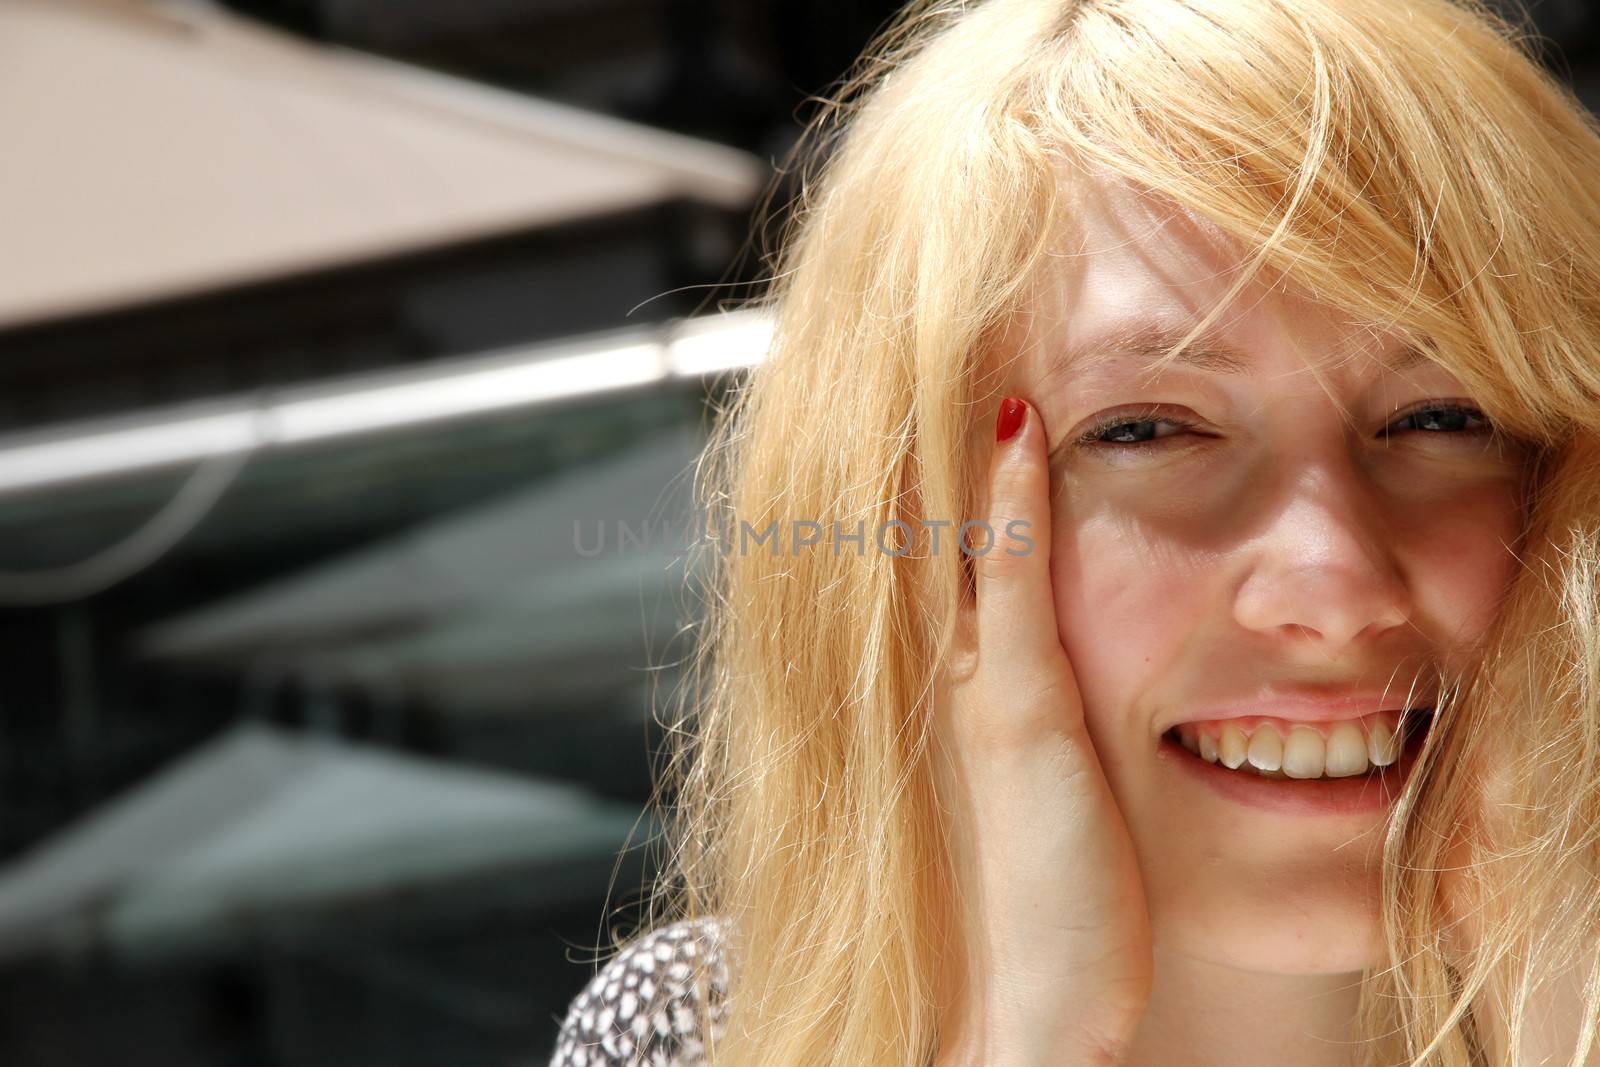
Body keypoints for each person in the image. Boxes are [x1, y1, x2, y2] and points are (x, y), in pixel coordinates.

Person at [548, 0, 1600, 1064]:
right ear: (912, 536)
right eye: (1146, 428)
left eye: (1442, 417)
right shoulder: (691, 1031)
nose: (1331, 581)